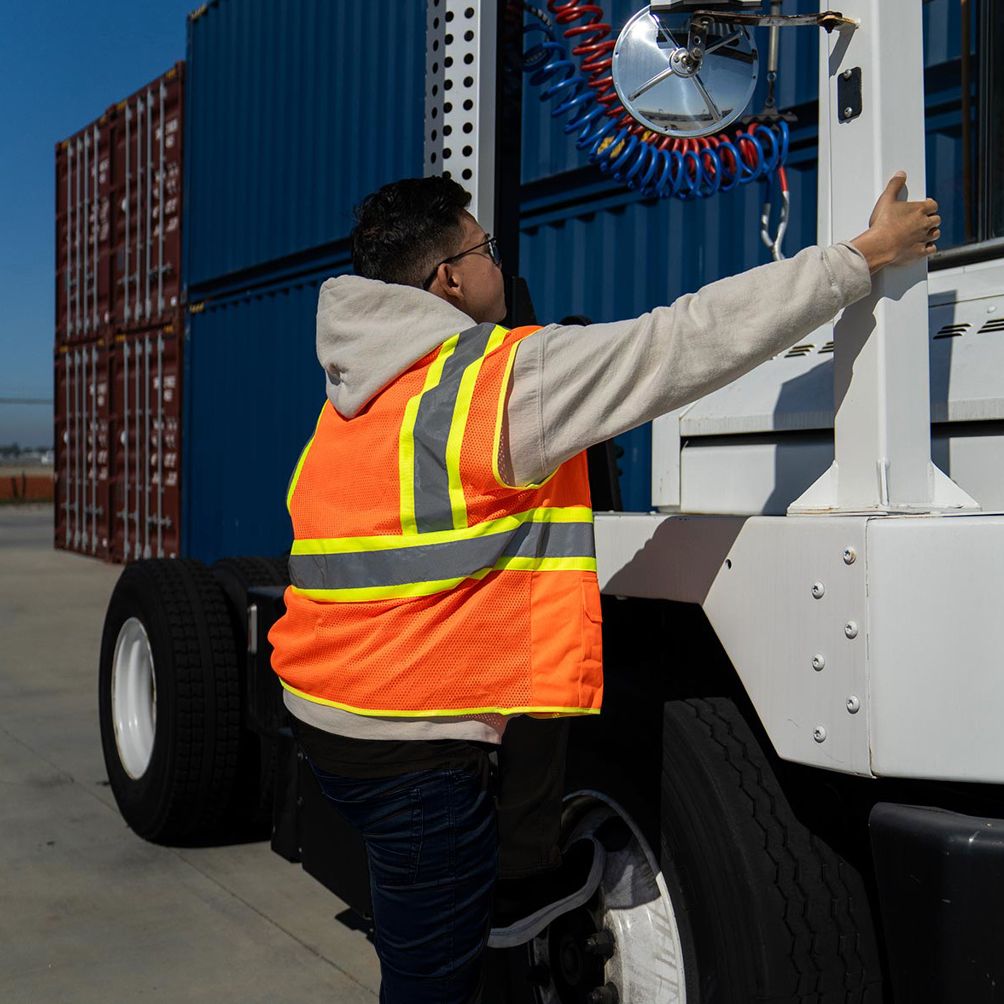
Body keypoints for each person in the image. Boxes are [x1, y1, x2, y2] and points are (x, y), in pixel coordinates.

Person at [268, 171, 941, 1002]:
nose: (495, 265)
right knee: (430, 984)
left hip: (327, 721)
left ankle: (508, 892)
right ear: (446, 278)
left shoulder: (355, 396)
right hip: (418, 756)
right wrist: (863, 257)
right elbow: (684, 342)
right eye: (484, 249)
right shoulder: (496, 382)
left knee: (438, 930)